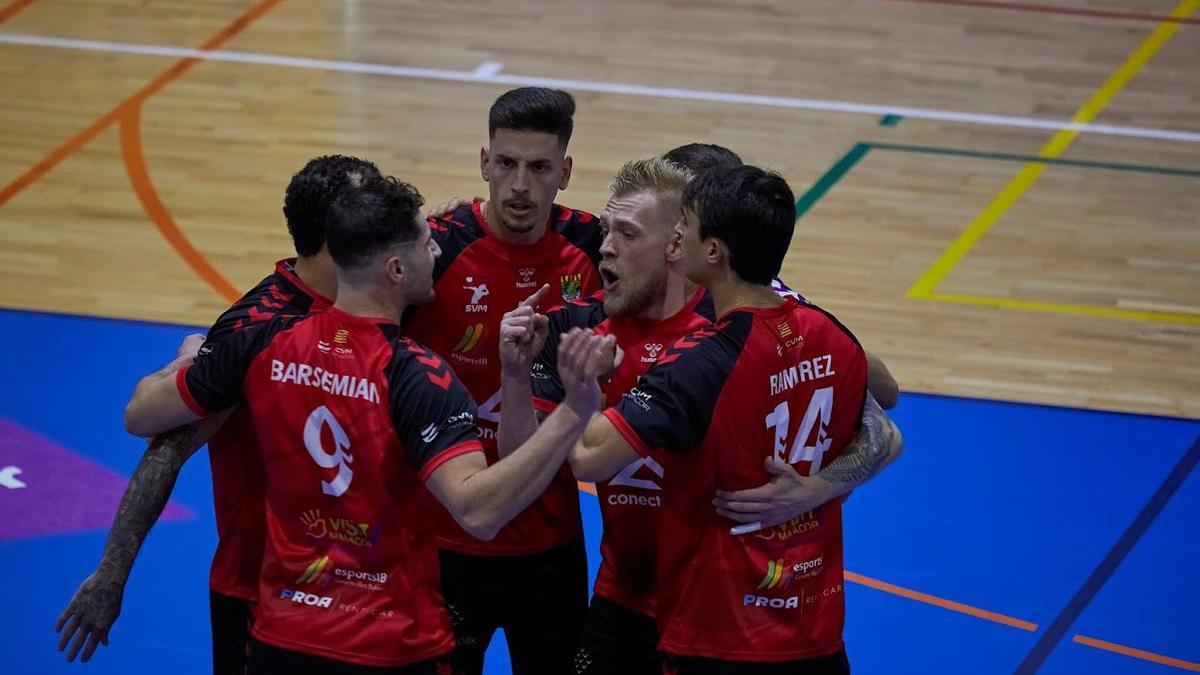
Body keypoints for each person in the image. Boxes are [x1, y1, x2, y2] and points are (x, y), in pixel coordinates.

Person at [121, 175, 615, 674]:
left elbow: (141, 415)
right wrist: (572, 411)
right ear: (396, 269)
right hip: (390, 642)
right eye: (428, 243)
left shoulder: (261, 342)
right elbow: (479, 511)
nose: (439, 253)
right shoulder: (418, 377)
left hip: (283, 633)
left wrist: (189, 358)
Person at [499, 158, 900, 674]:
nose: (605, 246)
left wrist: (582, 397)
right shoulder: (821, 330)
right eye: (605, 230)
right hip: (713, 609)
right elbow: (521, 468)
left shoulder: (702, 358)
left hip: (713, 621)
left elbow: (588, 458)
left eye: (628, 232)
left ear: (691, 247)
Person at [55, 155, 383, 671]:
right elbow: (167, 446)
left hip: (363, 589)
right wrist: (111, 577)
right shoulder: (257, 326)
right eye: (371, 206)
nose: (385, 216)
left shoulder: (382, 297)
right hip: (260, 594)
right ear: (333, 234)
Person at [403, 87, 602, 674]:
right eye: (507, 164)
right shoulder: (435, 248)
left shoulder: (597, 248)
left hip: (550, 545)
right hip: (443, 541)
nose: (520, 185)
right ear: (484, 163)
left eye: (539, 168)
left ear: (564, 172)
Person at [663, 142, 900, 410]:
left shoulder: (768, 308)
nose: (675, 230)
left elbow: (886, 393)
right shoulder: (643, 275)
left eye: (685, 217)